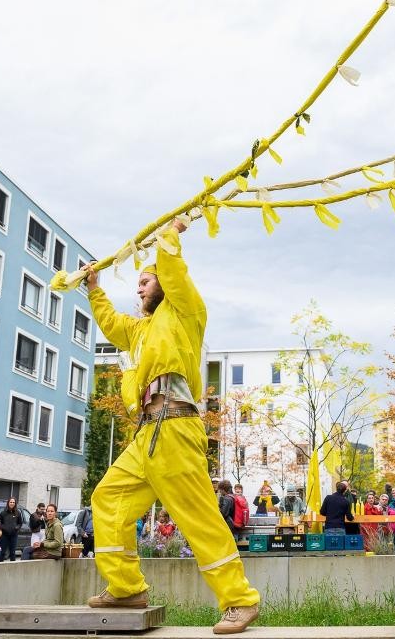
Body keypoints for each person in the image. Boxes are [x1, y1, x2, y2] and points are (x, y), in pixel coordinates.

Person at [83, 219, 260, 635]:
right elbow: (111, 322)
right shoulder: (139, 329)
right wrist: (93, 287)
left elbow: (175, 274)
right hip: (147, 434)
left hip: (177, 428)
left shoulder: (185, 313)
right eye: (138, 283)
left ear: (164, 282)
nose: (139, 288)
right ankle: (126, 587)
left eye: (146, 281)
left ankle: (240, 601)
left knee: (196, 515)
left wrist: (169, 238)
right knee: (107, 499)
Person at [0, 497, 23, 561]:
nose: (12, 503)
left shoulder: (18, 513)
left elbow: (20, 523)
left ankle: (13, 567)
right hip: (4, 535)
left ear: (15, 503)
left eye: (13, 502)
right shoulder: (3, 513)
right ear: (8, 503)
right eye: (11, 502)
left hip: (13, 535)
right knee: (2, 552)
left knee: (12, 552)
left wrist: (16, 528)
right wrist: (3, 528)